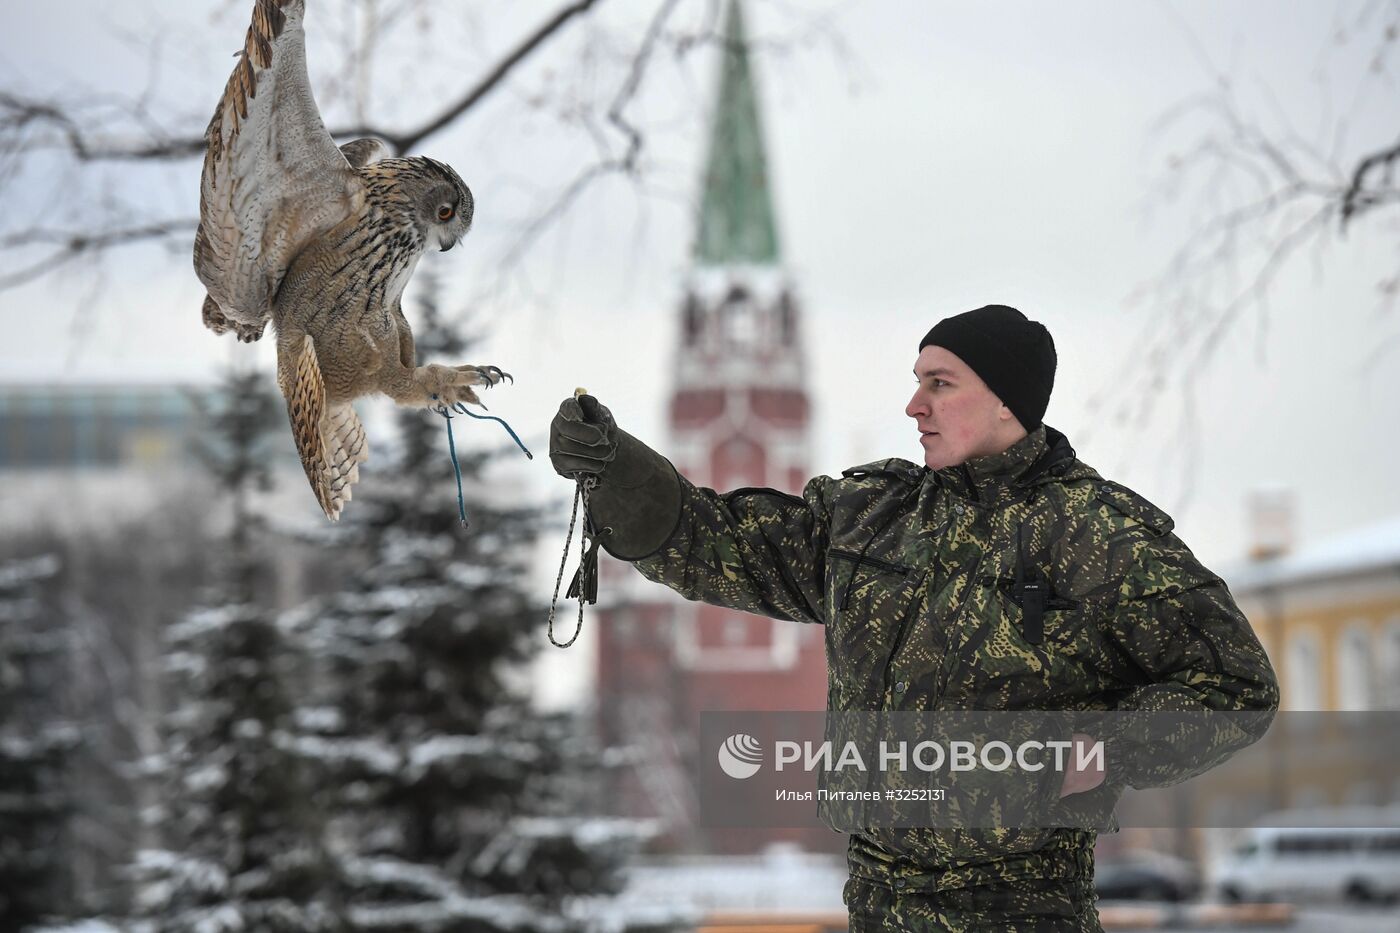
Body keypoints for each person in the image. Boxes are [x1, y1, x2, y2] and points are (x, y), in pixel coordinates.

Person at [549, 304, 1280, 931]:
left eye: (940, 383)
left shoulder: (1095, 531)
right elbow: (721, 542)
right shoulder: (875, 516)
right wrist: (615, 469)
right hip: (877, 902)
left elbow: (1233, 687)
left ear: (1005, 401)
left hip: (1022, 909)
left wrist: (1092, 753)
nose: (914, 405)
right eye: (916, 381)